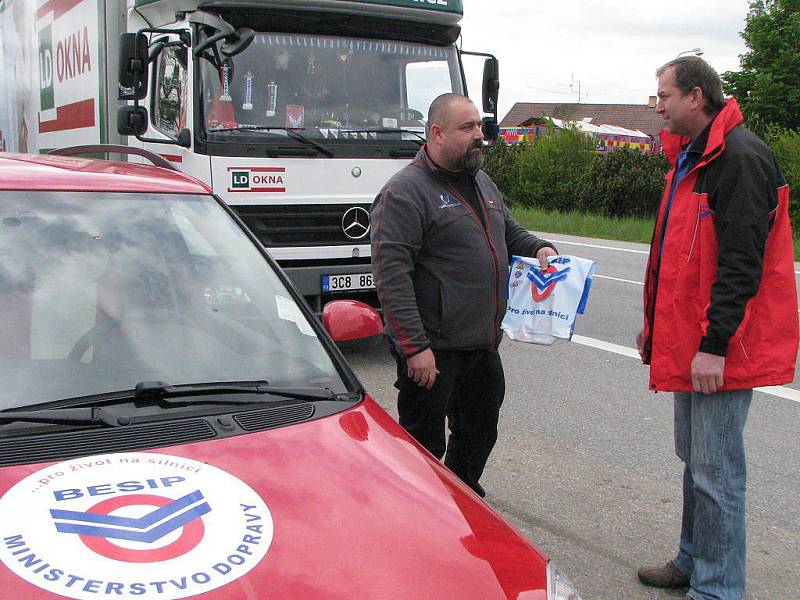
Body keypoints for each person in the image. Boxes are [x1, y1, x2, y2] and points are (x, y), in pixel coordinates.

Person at [636, 57, 798, 600]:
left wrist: (714, 345)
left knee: (717, 473)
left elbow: (741, 267)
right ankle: (692, 560)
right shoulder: (693, 157)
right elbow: (678, 257)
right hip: (689, 340)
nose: (657, 105)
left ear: (697, 96)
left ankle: (719, 589)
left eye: (664, 95)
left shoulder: (739, 159)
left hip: (720, 349)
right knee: (696, 462)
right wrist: (654, 330)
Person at [370, 93, 557, 497]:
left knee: (479, 431)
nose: (480, 135)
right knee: (423, 446)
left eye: (479, 125)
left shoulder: (481, 182)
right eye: (468, 127)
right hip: (433, 351)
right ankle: (419, 518)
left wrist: (539, 247)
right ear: (436, 133)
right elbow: (392, 278)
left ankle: (459, 498)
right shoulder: (405, 192)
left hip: (481, 345)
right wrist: (414, 347)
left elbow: (508, 232)